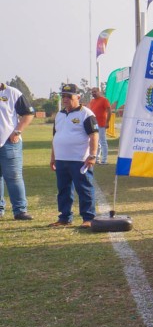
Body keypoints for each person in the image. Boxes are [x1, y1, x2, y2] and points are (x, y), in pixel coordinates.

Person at [49, 83, 99, 228]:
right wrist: (53, 157)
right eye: (63, 96)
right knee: (63, 190)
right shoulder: (59, 115)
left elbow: (94, 135)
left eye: (69, 96)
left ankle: (88, 218)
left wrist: (92, 155)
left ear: (78, 97)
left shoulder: (86, 114)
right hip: (61, 159)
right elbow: (56, 137)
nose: (65, 99)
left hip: (79, 159)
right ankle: (64, 217)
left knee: (84, 189)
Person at [0, 81, 34, 221]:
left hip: (9, 142)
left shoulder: (12, 93)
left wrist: (17, 131)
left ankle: (20, 210)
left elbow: (28, 113)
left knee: (14, 176)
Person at [88, 87, 112, 164]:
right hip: (94, 125)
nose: (93, 93)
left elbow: (109, 111)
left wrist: (107, 122)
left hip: (101, 124)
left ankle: (104, 160)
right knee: (96, 142)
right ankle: (97, 159)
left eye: (95, 91)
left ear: (99, 91)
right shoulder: (92, 101)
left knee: (102, 141)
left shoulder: (104, 100)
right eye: (92, 92)